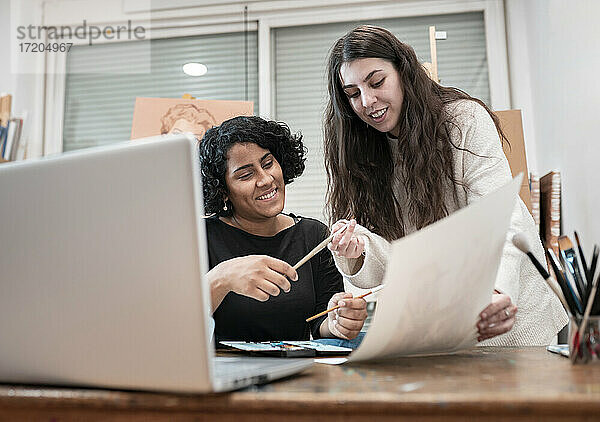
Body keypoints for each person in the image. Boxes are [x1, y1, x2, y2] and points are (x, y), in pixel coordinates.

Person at [322, 25, 567, 345]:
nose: (367, 101)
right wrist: (359, 252)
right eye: (353, 94)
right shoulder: (359, 154)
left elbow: (502, 217)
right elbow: (402, 259)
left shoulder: (463, 122)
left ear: (403, 71)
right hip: (443, 331)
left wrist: (497, 290)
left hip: (514, 322)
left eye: (377, 81)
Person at [199, 115, 368, 343]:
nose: (266, 179)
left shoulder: (313, 234)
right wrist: (222, 277)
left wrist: (338, 320)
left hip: (298, 371)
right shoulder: (201, 238)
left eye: (268, 163)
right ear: (222, 191)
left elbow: (321, 326)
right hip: (227, 373)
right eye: (246, 175)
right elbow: (176, 325)